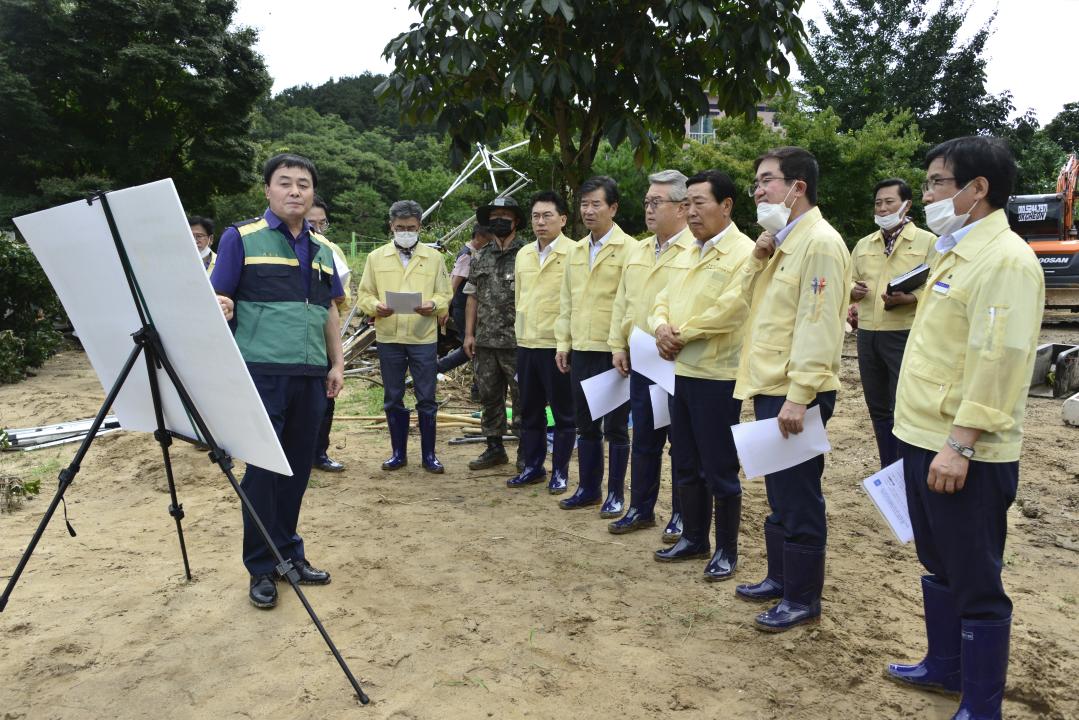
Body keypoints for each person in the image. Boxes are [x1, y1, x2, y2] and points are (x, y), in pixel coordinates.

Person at [886, 137, 1043, 720]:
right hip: (923, 436)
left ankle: (981, 705)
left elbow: (997, 363)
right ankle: (944, 666)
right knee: (939, 558)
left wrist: (960, 444)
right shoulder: (956, 251)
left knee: (977, 577)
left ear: (978, 189)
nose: (925, 194)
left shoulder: (1005, 260)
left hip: (964, 450)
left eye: (936, 183)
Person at [210, 153, 344, 609]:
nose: (294, 191)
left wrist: (337, 364)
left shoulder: (324, 249)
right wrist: (221, 305)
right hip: (261, 373)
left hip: (310, 376)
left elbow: (329, 311)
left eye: (303, 184)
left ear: (312, 194)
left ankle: (289, 555)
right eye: (284, 183)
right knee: (264, 472)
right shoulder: (240, 238)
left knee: (297, 470)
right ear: (267, 190)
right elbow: (218, 296)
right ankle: (260, 568)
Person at [733, 146, 851, 632]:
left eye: (766, 181)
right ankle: (780, 578)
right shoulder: (783, 242)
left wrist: (800, 395)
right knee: (780, 493)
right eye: (757, 182)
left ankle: (803, 598)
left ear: (797, 187)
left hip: (794, 391)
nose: (758, 191)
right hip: (772, 385)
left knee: (799, 496)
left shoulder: (819, 243)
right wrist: (758, 257)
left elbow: (820, 326)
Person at [650, 170, 754, 582]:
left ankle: (727, 549)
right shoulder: (687, 251)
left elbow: (733, 309)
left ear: (726, 206)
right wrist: (660, 327)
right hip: (681, 371)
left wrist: (682, 334)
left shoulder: (744, 253)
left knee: (719, 466)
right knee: (685, 459)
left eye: (699, 203)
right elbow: (661, 297)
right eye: (686, 203)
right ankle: (694, 538)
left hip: (718, 374)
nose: (690, 212)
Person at [606, 170, 694, 534]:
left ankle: (682, 515)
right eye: (646, 202)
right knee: (644, 437)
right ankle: (641, 507)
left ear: (682, 207)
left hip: (680, 361)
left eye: (656, 202)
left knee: (682, 444)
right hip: (643, 359)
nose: (649, 209)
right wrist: (618, 345)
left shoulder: (696, 249)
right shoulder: (639, 250)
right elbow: (623, 303)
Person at [554, 176, 633, 511]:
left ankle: (615, 494)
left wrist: (623, 345)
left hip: (613, 352)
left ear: (613, 208)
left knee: (615, 426)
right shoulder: (575, 251)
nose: (588, 210)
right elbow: (567, 301)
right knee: (585, 424)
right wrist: (563, 342)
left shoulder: (630, 249)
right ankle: (589, 488)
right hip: (582, 348)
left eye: (595, 204)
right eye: (584, 204)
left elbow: (629, 302)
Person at [356, 200, 451, 474]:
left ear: (420, 226)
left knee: (427, 396)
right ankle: (398, 453)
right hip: (389, 336)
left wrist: (432, 305)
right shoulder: (376, 257)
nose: (405, 232)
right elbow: (365, 294)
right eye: (400, 228)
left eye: (411, 227)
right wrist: (376, 307)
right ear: (391, 227)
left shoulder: (434, 258)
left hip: (423, 336)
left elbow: (445, 294)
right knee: (393, 395)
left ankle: (429, 455)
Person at [849, 179, 936, 468]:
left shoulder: (927, 242)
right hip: (868, 334)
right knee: (878, 408)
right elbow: (847, 281)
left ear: (907, 205)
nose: (883, 208)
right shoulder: (864, 245)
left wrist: (910, 297)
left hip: (904, 333)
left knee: (904, 406)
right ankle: (889, 468)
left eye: (889, 202)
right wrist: (852, 294)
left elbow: (940, 286)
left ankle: (907, 467)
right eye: (878, 203)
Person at [506, 190, 575, 493]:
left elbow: (576, 302)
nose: (540, 222)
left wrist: (567, 343)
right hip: (527, 344)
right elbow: (520, 298)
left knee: (562, 413)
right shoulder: (524, 254)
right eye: (535, 216)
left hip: (557, 346)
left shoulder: (575, 253)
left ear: (562, 218)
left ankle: (560, 472)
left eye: (547, 215)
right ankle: (533, 467)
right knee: (529, 410)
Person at [463, 197, 526, 470]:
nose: (499, 220)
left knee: (523, 396)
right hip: (486, 340)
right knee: (489, 396)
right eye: (494, 216)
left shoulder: (527, 254)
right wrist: (468, 334)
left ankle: (526, 450)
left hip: (518, 341)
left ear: (516, 221)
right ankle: (494, 448)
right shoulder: (481, 256)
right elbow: (472, 297)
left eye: (505, 216)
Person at [306, 197, 350, 472]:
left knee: (326, 397)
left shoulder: (330, 250)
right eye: (312, 222)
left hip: (321, 336)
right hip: (288, 340)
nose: (317, 227)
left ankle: (319, 452)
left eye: (322, 222)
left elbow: (339, 296)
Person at [438, 225, 495, 385]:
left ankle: (478, 386)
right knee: (470, 346)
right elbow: (453, 284)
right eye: (487, 240)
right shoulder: (467, 255)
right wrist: (444, 309)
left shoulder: (472, 253)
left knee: (475, 347)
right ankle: (437, 367)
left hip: (466, 307)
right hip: (463, 308)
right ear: (479, 237)